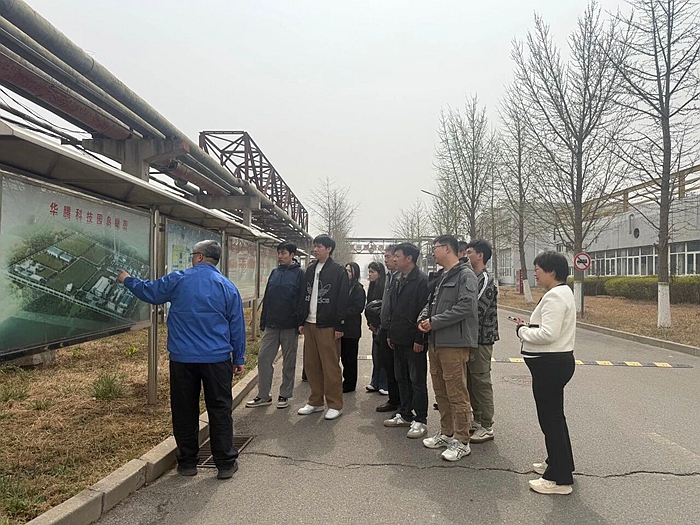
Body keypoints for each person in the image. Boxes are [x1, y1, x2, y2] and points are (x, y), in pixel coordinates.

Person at [116, 240, 245, 480]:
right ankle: (225, 464)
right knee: (220, 409)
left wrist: (126, 279)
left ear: (199, 257)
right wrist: (239, 357)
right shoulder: (227, 286)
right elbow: (236, 325)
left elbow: (151, 292)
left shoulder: (179, 279)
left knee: (184, 409)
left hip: (183, 358)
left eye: (193, 254)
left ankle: (187, 463)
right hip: (217, 359)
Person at [513, 251, 576, 495]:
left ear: (551, 271)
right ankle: (560, 462)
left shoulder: (555, 297)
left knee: (550, 420)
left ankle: (559, 479)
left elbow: (548, 334)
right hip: (554, 363)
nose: (536, 274)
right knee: (555, 418)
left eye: (538, 269)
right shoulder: (561, 292)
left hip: (550, 365)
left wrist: (522, 331)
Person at [418, 235, 478, 462]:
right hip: (437, 341)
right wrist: (424, 318)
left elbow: (466, 306)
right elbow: (431, 303)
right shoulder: (443, 275)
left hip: (454, 342)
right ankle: (446, 432)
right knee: (440, 390)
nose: (432, 252)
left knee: (457, 392)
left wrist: (435, 322)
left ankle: (462, 440)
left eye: (435, 248)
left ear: (447, 249)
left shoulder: (465, 275)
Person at [297, 235, 349, 420]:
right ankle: (315, 401)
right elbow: (303, 295)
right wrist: (301, 321)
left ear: (329, 249)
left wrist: (339, 324)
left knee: (330, 366)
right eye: (315, 246)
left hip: (328, 324)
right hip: (310, 322)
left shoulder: (338, 271)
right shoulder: (310, 269)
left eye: (319, 246)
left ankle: (335, 404)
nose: (315, 249)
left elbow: (342, 299)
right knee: (311, 364)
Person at [246, 242, 304, 409]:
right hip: (271, 325)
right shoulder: (275, 272)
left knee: (288, 361)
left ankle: (285, 394)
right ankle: (263, 395)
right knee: (264, 358)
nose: (280, 256)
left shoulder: (300, 274)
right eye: (278, 253)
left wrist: (300, 323)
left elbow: (302, 300)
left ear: (292, 255)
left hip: (289, 325)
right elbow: (268, 297)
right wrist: (263, 321)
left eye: (283, 253)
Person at [383, 243, 430, 439]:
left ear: (409, 258)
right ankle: (404, 413)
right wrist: (390, 333)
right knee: (401, 377)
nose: (394, 259)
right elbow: (393, 310)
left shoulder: (422, 281)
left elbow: (425, 312)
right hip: (398, 337)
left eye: (397, 256)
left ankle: (420, 419)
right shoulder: (398, 279)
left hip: (414, 340)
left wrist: (420, 338)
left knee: (417, 381)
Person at [465, 239, 499, 443]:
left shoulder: (485, 279)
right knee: (471, 381)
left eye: (469, 252)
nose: (466, 255)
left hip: (482, 339)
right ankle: (477, 419)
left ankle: (487, 425)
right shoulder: (472, 277)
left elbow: (474, 309)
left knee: (481, 381)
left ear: (480, 255)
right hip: (470, 338)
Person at [375, 245, 401, 413]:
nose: (386, 260)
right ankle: (393, 400)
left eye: (389, 256)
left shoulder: (400, 278)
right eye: (384, 257)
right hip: (384, 328)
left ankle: (402, 403)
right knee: (388, 366)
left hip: (395, 330)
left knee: (398, 369)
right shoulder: (389, 277)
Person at [340, 262, 366, 393]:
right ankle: (346, 380)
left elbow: (358, 308)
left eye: (349, 271)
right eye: (346, 270)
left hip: (352, 328)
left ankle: (350, 383)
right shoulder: (342, 287)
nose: (347, 273)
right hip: (341, 328)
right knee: (343, 356)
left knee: (351, 357)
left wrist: (342, 312)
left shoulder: (358, 289)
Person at [365, 261, 388, 394]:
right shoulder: (372, 286)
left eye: (372, 272)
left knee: (383, 356)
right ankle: (375, 381)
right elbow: (368, 307)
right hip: (374, 326)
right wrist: (370, 323)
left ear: (379, 274)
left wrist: (378, 324)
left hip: (382, 326)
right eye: (369, 272)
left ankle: (384, 384)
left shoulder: (384, 287)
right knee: (376, 355)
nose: (370, 274)